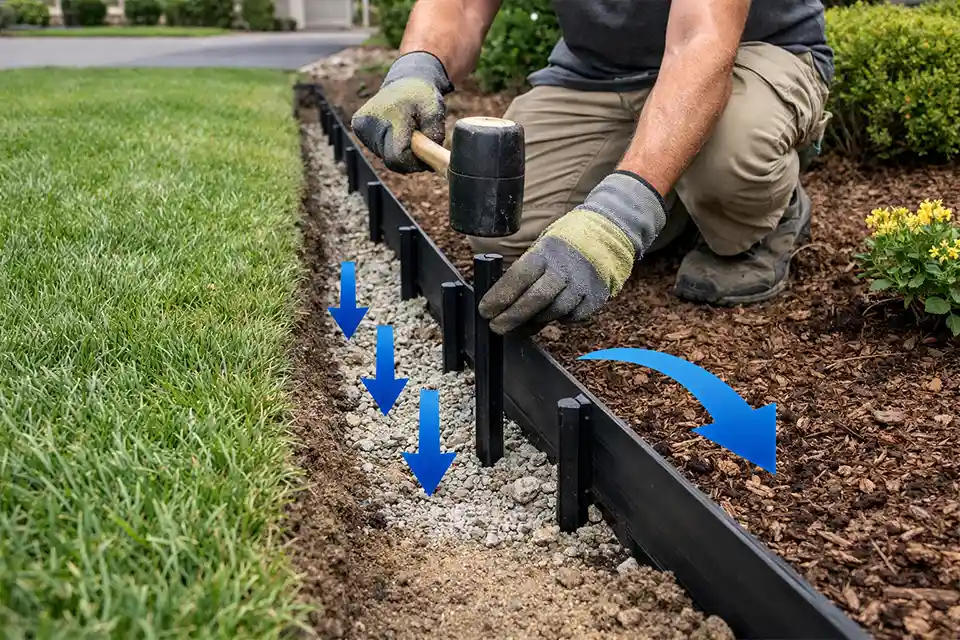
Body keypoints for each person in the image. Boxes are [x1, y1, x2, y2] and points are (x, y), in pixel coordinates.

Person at [351, 0, 834, 336]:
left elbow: (699, 40)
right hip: (601, 74)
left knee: (732, 159)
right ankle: (676, 194)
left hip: (746, 54)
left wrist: (619, 219)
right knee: (504, 225)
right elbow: (461, 7)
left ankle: (769, 211)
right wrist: (415, 68)